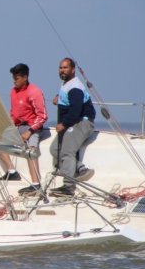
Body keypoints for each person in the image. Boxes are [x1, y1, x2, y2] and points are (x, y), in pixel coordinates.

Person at [49, 58, 96, 197]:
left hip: (82, 122)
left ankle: (68, 187)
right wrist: (58, 97)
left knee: (67, 152)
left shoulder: (75, 87)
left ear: (73, 70)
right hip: (73, 123)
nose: (62, 70)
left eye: (65, 68)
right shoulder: (67, 84)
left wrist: (63, 124)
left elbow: (76, 110)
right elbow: (68, 99)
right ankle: (81, 169)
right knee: (55, 149)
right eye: (60, 68)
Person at [7, 63, 48, 196]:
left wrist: (29, 132)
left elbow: (43, 116)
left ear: (25, 77)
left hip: (32, 127)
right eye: (13, 78)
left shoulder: (34, 92)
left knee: (31, 151)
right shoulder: (13, 92)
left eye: (17, 78)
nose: (14, 81)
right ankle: (12, 172)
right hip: (18, 127)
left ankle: (36, 185)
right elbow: (13, 114)